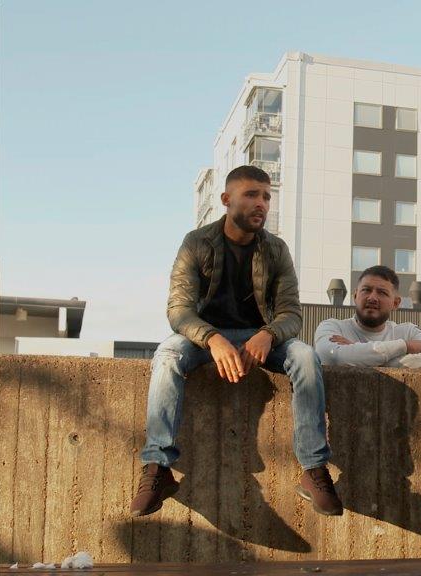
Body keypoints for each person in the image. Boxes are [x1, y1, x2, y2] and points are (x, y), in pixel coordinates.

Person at [130, 165, 343, 518]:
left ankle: (314, 470)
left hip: (260, 336)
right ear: (227, 199)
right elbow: (179, 310)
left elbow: (291, 313)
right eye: (252, 195)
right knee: (167, 354)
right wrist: (211, 338)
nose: (262, 203)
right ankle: (158, 467)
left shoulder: (276, 249)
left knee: (305, 356)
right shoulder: (196, 243)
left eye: (267, 197)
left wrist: (267, 334)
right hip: (204, 337)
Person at [314, 265, 421, 369]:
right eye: (366, 290)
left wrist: (357, 354)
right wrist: (405, 346)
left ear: (395, 303)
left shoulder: (409, 332)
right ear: (355, 296)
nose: (372, 298)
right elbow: (331, 357)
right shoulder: (332, 327)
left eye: (382, 292)